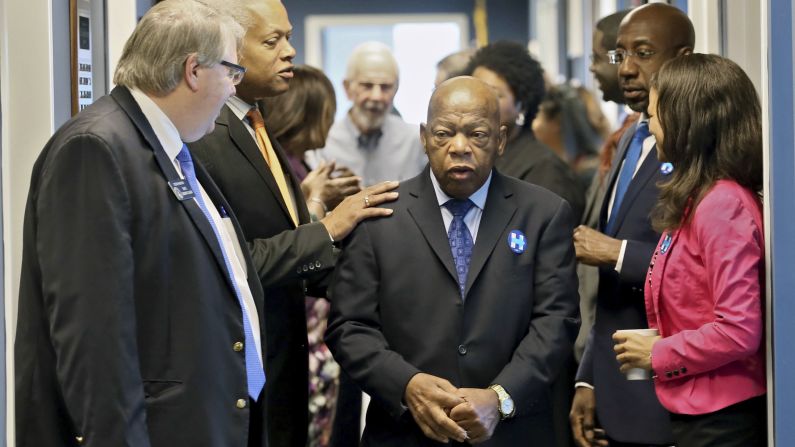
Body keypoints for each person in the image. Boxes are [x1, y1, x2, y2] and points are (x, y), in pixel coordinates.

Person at [14, 1, 269, 445]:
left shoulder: (168, 149)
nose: (233, 89)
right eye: (231, 72)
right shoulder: (96, 149)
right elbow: (95, 341)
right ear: (193, 70)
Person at [325, 76, 580, 446]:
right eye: (445, 133)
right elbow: (349, 325)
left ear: (501, 140)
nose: (459, 147)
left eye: (477, 134)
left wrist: (501, 397)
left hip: (512, 431)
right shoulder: (379, 216)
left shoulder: (543, 214)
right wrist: (407, 384)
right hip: (405, 433)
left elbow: (557, 321)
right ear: (424, 137)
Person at [189, 2, 398, 447]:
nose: (290, 52)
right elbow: (229, 265)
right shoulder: (207, 134)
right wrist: (328, 225)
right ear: (229, 47)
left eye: (288, 37)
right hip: (238, 380)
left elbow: (295, 250)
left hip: (283, 371)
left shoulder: (255, 123)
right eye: (273, 41)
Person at [614, 53, 766, 447]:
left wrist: (659, 351)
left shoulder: (723, 204)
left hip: (724, 421)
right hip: (694, 413)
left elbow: (739, 330)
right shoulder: (696, 198)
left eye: (656, 116)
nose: (650, 127)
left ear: (688, 123)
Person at [571, 3, 693, 446]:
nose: (626, 68)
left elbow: (698, 274)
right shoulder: (628, 139)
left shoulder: (696, 151)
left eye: (643, 53)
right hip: (614, 385)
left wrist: (617, 253)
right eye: (619, 55)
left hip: (671, 389)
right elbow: (607, 292)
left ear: (680, 59)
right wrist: (588, 379)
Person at [258, 64, 358, 447]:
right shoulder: (285, 166)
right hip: (300, 323)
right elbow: (289, 240)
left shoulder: (297, 163)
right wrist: (317, 201)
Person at [572, 8, 635, 364]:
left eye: (600, 57)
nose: (594, 68)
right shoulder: (622, 139)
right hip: (598, 342)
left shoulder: (655, 143)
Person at [468, 41, 585, 223]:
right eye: (474, 91)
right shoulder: (475, 157)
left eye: (495, 95)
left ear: (521, 103)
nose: (480, 102)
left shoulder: (546, 170)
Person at [308, 41, 427, 187]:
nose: (376, 96)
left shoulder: (416, 142)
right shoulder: (323, 143)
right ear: (347, 88)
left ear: (396, 90)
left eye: (386, 87)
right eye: (367, 86)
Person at [532, 84, 609, 188]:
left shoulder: (584, 176)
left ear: (557, 122)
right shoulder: (571, 170)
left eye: (537, 117)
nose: (533, 126)